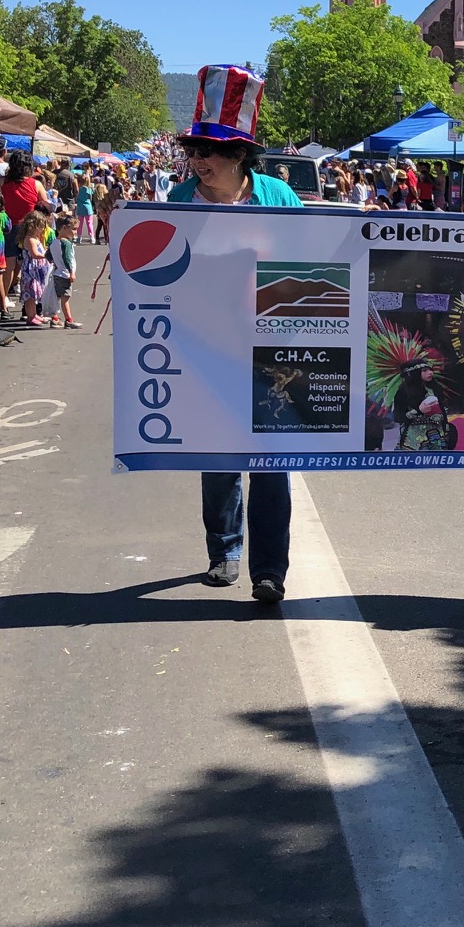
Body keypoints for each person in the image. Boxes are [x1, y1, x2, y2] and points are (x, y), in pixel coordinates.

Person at [170, 66, 304, 609]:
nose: (200, 160)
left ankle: (269, 571)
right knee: (219, 461)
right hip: (205, 348)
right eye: (195, 149)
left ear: (240, 154)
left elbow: (308, 258)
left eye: (212, 150)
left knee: (272, 466)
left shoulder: (277, 196)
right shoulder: (179, 200)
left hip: (272, 351)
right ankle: (223, 550)